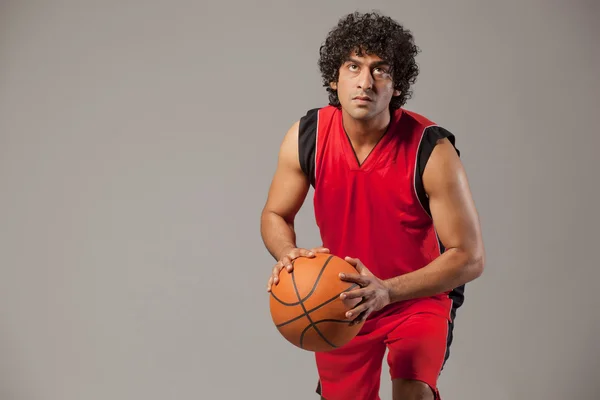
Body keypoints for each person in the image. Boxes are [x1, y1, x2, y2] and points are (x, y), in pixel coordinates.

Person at [260, 11, 485, 400]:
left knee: (412, 391)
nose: (366, 82)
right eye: (354, 66)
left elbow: (469, 257)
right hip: (341, 297)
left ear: (397, 86)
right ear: (335, 77)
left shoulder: (431, 151)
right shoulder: (307, 137)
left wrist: (387, 290)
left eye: (381, 70)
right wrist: (287, 254)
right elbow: (275, 214)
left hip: (417, 296)